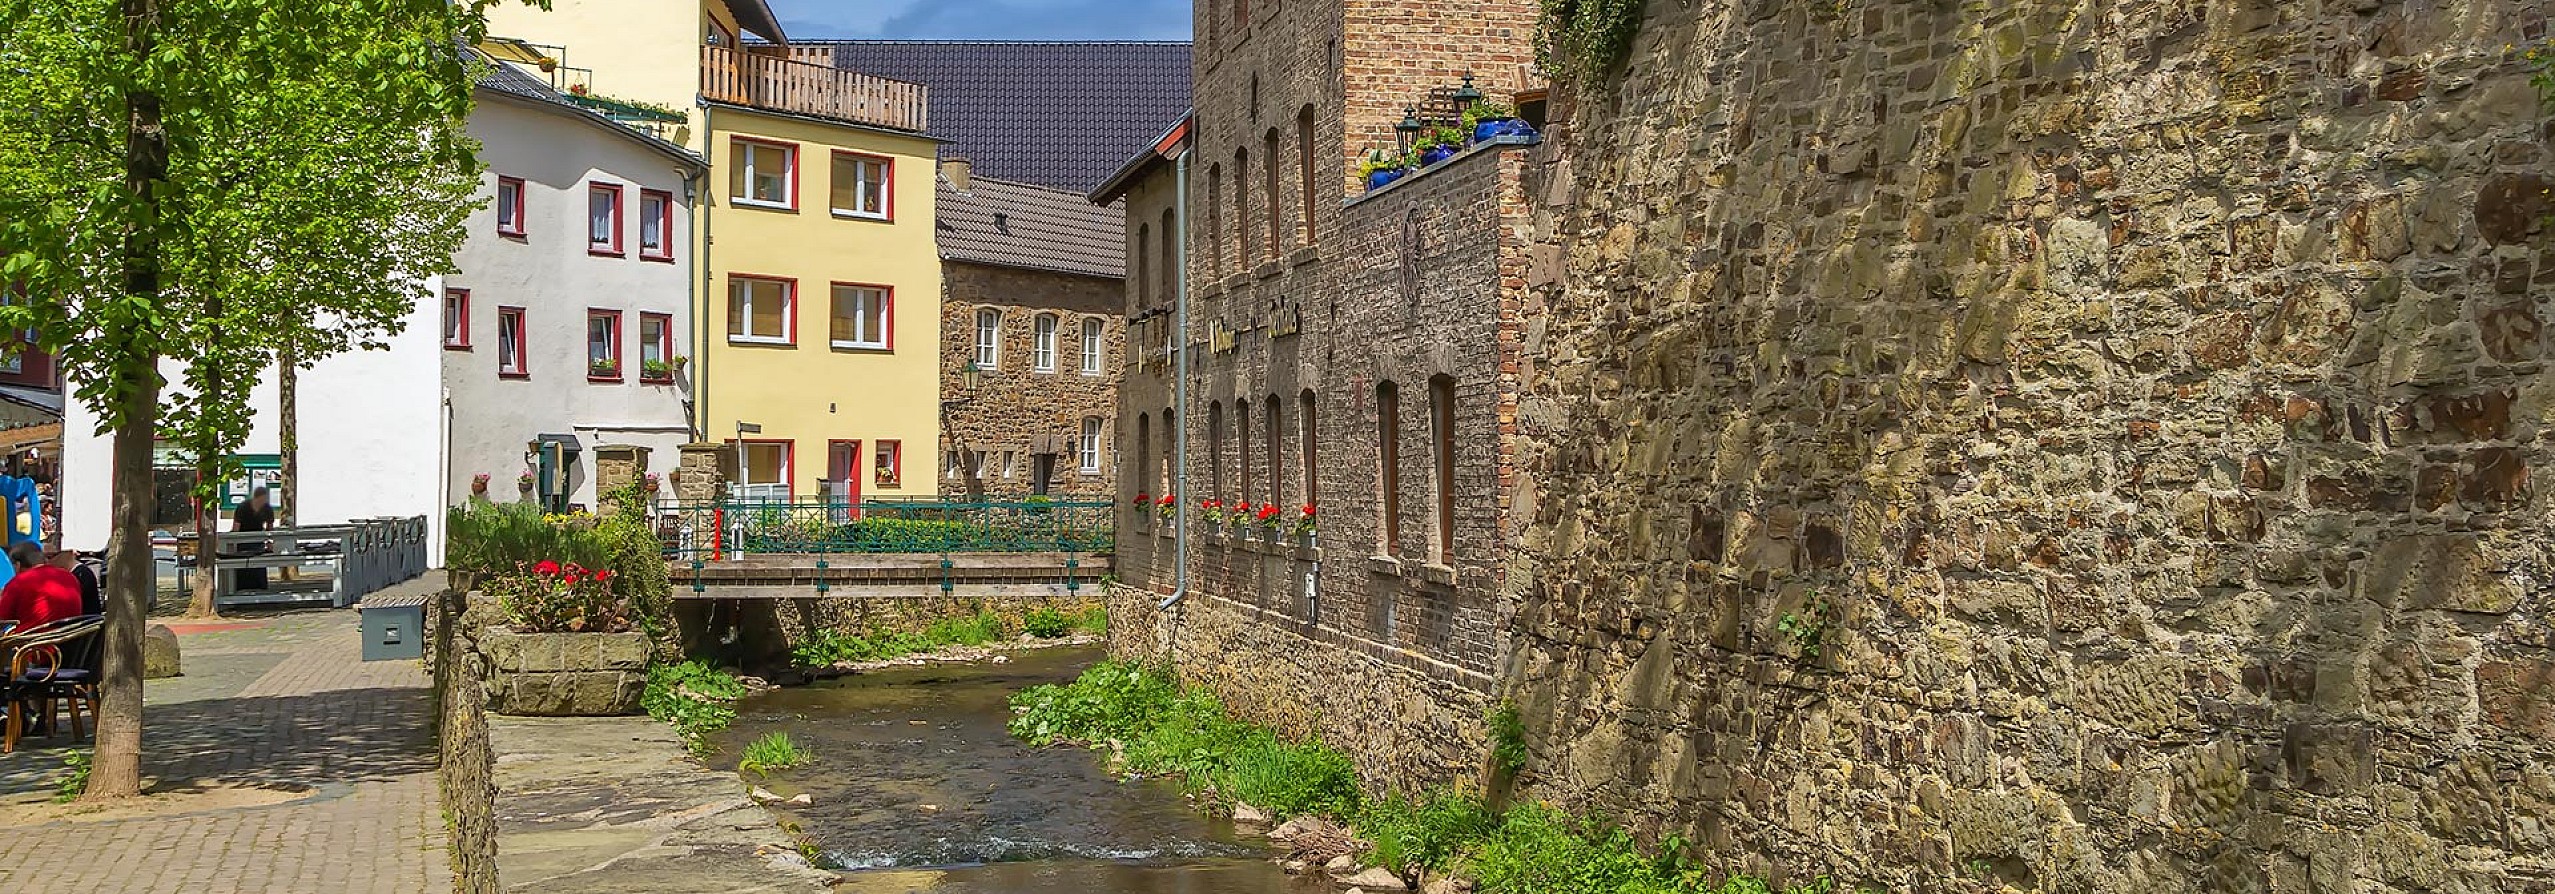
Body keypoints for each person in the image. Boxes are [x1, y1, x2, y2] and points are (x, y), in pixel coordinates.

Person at [0, 542, 82, 631]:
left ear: (17, 565)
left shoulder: (18, 582)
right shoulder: (70, 577)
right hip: (71, 639)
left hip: (31, 642)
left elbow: (2, 619)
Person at [233, 486, 275, 592]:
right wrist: (234, 542)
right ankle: (242, 587)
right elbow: (236, 528)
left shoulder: (267, 509)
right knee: (243, 564)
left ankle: (259, 587)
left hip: (258, 541)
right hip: (242, 541)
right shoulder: (243, 507)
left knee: (259, 564)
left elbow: (270, 528)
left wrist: (269, 541)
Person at [52, 548, 101, 617]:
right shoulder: (73, 574)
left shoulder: (82, 574)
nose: (47, 561)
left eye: (50, 557)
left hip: (87, 623)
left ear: (67, 553)